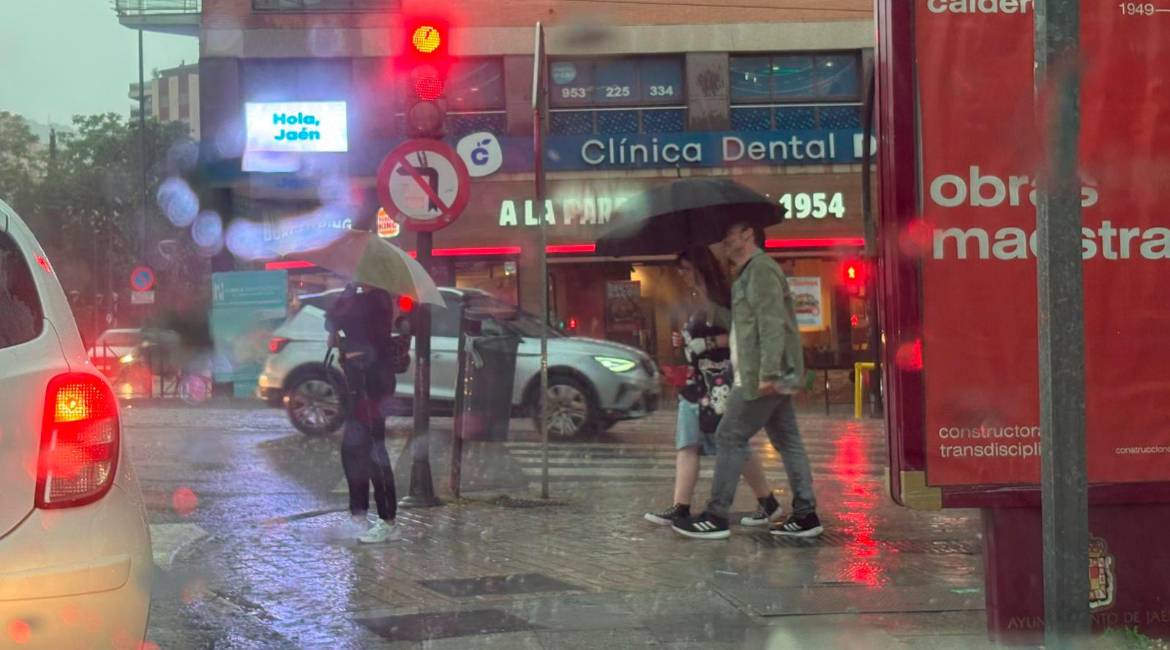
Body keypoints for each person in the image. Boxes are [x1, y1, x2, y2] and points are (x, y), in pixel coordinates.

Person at [673, 223, 823, 540]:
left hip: (761, 375)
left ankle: (716, 515)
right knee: (787, 441)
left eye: (732, 233)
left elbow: (771, 323)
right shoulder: (747, 273)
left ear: (748, 235)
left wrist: (768, 372)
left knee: (729, 435)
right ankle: (806, 514)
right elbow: (743, 324)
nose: (725, 240)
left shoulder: (761, 270)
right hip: (768, 372)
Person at [643, 246, 783, 528]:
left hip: (719, 383)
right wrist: (685, 342)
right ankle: (682, 505)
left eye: (686, 269)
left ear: (699, 267)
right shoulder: (699, 299)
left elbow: (739, 334)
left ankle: (765, 503)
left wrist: (706, 343)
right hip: (697, 383)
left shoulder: (722, 299)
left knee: (732, 444)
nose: (682, 275)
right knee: (690, 443)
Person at [325, 283, 401, 544]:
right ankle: (358, 514)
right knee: (352, 449)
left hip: (373, 380)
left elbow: (338, 315)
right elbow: (332, 321)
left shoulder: (377, 299)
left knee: (372, 448)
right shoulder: (361, 299)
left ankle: (388, 520)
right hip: (357, 378)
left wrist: (347, 292)